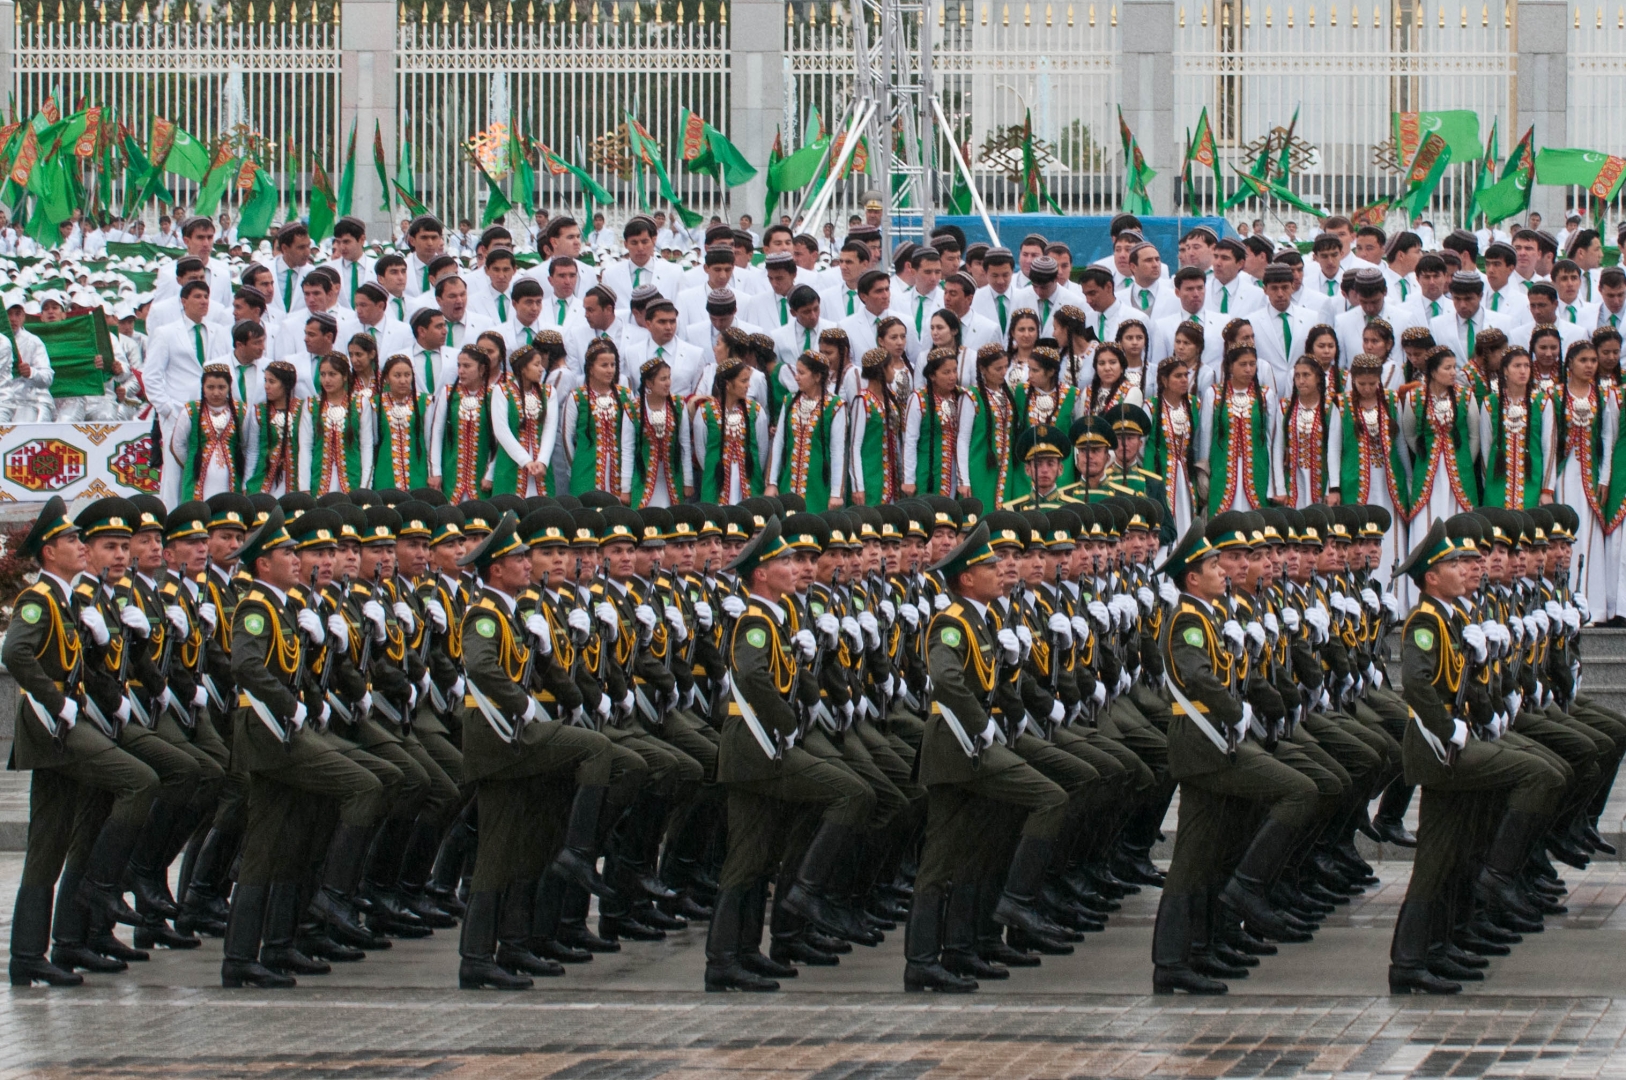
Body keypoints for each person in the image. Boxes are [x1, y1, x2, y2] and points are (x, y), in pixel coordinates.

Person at [1386, 518, 1565, 994]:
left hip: (1456, 744)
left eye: (1464, 562)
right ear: (1430, 577)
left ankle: (1424, 955)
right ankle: (1499, 877)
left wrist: (1485, 699)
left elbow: (1466, 682)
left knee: (1441, 856)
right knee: (1538, 773)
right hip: (1439, 751)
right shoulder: (1425, 622)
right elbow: (1417, 686)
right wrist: (1454, 729)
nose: (1465, 569)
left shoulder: (1453, 618)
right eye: (1453, 564)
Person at [1151, 513, 1320, 994]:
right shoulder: (1186, 619)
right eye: (1213, 566)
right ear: (1191, 578)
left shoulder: (1208, 615)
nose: (1224, 572)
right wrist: (1235, 708)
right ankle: (1247, 889)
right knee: (1298, 791)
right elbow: (1197, 676)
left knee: (1197, 855)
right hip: (1203, 742)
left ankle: (1186, 955)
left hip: (1213, 740)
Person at [1545, 339, 1616, 611]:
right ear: (1570, 364)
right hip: (1563, 477)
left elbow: (1607, 437)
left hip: (1590, 477)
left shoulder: (1601, 395)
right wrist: (1548, 486)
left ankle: (1592, 605)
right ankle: (1561, 602)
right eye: (1584, 361)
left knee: (1588, 535)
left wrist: (1604, 478)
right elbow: (1550, 443)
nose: (1589, 366)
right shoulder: (1556, 395)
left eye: (1593, 361)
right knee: (1563, 534)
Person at [1400, 346, 1480, 560]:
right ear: (1433, 372)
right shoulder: (1414, 398)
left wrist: (1464, 461)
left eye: (1455, 367)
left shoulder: (1466, 396)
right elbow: (1409, 433)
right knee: (1427, 519)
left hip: (1460, 474)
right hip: (1428, 474)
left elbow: (1474, 436)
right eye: (1448, 368)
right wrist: (1425, 456)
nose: (1454, 372)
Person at [1198, 345, 1279, 514]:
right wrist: (1203, 473)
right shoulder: (1214, 394)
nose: (1249, 369)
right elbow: (1206, 436)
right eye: (1243, 364)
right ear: (1230, 366)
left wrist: (1275, 484)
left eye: (1252, 364)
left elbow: (1273, 440)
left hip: (1258, 470)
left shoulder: (1265, 395)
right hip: (1222, 471)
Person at [768, 350, 846, 513]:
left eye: (802, 373)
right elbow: (779, 442)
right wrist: (772, 482)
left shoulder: (835, 406)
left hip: (818, 484)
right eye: (797, 372)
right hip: (788, 480)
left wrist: (836, 493)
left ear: (817, 377)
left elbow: (837, 451)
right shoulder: (789, 401)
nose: (796, 377)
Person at [691, 351, 769, 504]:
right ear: (728, 384)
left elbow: (762, 449)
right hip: (716, 480)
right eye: (743, 381)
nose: (748, 385)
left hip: (748, 479)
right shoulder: (705, 412)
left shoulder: (756, 411)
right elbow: (702, 452)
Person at [561, 338, 635, 500]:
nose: (610, 370)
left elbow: (632, 434)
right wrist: (576, 466)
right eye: (604, 365)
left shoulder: (626, 395)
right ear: (591, 369)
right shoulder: (577, 397)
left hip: (619, 470)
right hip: (585, 471)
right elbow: (566, 437)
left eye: (613, 365)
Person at [1479, 346, 1552, 510]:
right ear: (1505, 370)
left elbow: (1549, 447)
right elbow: (1485, 447)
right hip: (1497, 481)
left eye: (1526, 366)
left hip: (1531, 480)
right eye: (1517, 366)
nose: (1523, 371)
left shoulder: (1542, 402)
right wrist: (1488, 482)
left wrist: (1547, 489)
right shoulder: (1490, 402)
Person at [490, 344, 562, 499]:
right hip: (511, 464)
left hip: (541, 468)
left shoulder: (549, 392)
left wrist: (542, 461)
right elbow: (501, 430)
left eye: (541, 364)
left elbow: (550, 429)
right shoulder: (502, 391)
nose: (542, 369)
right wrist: (526, 461)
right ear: (522, 368)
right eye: (536, 365)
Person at [431, 344, 497, 503]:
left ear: (482, 369)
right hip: (451, 472)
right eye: (459, 366)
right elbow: (437, 433)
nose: (461, 371)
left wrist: (491, 474)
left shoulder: (494, 394)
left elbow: (499, 439)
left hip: (482, 472)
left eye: (467, 366)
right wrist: (436, 472)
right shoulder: (448, 393)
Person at [172, 363, 248, 500]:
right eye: (210, 387)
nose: (216, 393)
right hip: (197, 480)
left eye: (221, 387)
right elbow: (178, 445)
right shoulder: (191, 411)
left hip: (231, 480)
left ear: (229, 388)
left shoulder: (240, 411)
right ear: (203, 388)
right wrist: (192, 463)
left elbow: (246, 445)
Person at [300, 351, 372, 495]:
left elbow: (366, 446)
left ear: (345, 376)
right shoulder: (311, 404)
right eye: (323, 374)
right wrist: (304, 487)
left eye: (332, 374)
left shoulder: (360, 403)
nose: (326, 380)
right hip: (319, 479)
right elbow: (306, 447)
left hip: (352, 479)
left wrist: (365, 486)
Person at [1145, 356, 1200, 540]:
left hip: (1186, 478)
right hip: (1159, 475)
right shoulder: (1151, 407)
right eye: (1178, 376)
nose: (1184, 380)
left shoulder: (1194, 405)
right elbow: (1141, 447)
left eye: (1186, 375)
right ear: (1164, 380)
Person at [1273, 356, 1337, 508]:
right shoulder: (1285, 407)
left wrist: (1333, 488)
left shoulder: (1329, 408)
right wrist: (1281, 488)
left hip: (1321, 481)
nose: (1301, 381)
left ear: (1318, 378)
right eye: (1297, 376)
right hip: (1293, 483)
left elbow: (1334, 450)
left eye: (1306, 375)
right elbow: (1277, 448)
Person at [957, 343, 1016, 508]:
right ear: (983, 369)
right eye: (998, 369)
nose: (1004, 372)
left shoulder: (1008, 393)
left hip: (1005, 466)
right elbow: (963, 439)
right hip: (980, 467)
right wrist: (964, 480)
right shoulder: (971, 396)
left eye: (1006, 367)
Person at [903, 347, 966, 499]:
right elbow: (910, 440)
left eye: (954, 371)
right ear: (932, 375)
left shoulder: (962, 396)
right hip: (928, 468)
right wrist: (909, 479)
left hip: (957, 472)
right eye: (946, 372)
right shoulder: (918, 398)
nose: (952, 377)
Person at [628, 351, 688, 508]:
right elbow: (628, 449)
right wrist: (625, 488)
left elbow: (685, 445)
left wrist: (688, 481)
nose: (668, 383)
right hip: (643, 480)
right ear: (649, 383)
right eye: (662, 379)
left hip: (671, 479)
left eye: (669, 377)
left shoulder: (679, 405)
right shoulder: (633, 408)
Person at [373, 354, 435, 493]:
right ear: (387, 378)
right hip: (386, 469)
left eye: (407, 375)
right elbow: (374, 440)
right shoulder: (376, 403)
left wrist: (432, 473)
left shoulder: (424, 401)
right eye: (397, 375)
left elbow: (429, 440)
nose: (403, 380)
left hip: (417, 468)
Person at [245, 361, 303, 497]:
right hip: (265, 477)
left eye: (272, 381)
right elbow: (253, 450)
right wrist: (246, 483)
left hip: (295, 478)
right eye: (265, 381)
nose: (266, 386)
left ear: (286, 384)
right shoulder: (259, 411)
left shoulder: (302, 409)